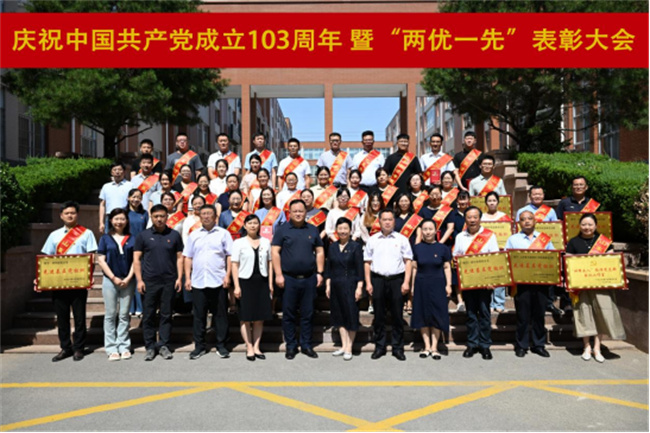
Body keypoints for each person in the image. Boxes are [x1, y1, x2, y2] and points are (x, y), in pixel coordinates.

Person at [38, 201, 98, 362]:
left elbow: (91, 257)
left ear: (77, 214)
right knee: (62, 317)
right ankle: (65, 347)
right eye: (67, 213)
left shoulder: (86, 233)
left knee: (79, 317)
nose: (70, 215)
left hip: (79, 282)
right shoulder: (54, 235)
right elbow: (46, 259)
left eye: (73, 213)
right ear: (61, 216)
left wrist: (89, 276)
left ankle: (79, 348)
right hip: (58, 282)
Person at [566, 213, 625, 363]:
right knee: (584, 314)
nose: (587, 227)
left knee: (601, 315)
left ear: (596, 226)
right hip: (581, 286)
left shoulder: (604, 243)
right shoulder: (573, 242)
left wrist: (620, 278)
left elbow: (612, 263)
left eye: (590, 224)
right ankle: (586, 347)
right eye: (584, 224)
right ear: (579, 226)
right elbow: (567, 264)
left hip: (601, 286)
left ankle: (597, 348)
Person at [271, 199, 325, 360]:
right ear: (289, 212)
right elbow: (275, 252)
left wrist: (320, 272)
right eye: (295, 211)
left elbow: (320, 251)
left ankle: (306, 345)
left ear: (305, 212)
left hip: (309, 278)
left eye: (301, 211)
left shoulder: (312, 229)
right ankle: (291, 345)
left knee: (308, 313)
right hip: (289, 279)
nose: (298, 214)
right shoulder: (282, 230)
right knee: (289, 314)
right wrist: (278, 274)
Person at [134, 204, 184, 361]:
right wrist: (139, 280)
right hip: (149, 281)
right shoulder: (143, 236)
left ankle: (164, 345)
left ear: (167, 216)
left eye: (162, 216)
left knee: (166, 314)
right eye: (156, 216)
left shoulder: (174, 235)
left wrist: (179, 278)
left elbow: (180, 258)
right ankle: (150, 346)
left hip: (169, 281)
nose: (159, 219)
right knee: (148, 315)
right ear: (151, 217)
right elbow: (136, 259)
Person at [183, 204, 233, 360]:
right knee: (199, 316)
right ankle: (199, 346)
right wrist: (187, 277)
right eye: (203, 214)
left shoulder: (223, 234)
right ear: (200, 216)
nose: (206, 216)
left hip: (218, 280)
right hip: (198, 281)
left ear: (215, 216)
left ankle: (221, 345)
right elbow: (188, 257)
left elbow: (230, 256)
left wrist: (228, 276)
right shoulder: (194, 234)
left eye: (209, 213)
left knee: (220, 315)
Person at [505, 210, 556, 358]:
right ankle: (521, 345)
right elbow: (507, 259)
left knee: (539, 315)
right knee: (522, 316)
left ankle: (538, 345)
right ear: (519, 223)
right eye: (523, 219)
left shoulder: (544, 239)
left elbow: (553, 258)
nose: (527, 221)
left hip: (541, 282)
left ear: (535, 221)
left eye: (529, 218)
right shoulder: (513, 239)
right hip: (522, 284)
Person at [364, 209, 413, 361]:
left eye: (390, 219)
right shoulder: (373, 239)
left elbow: (408, 262)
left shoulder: (402, 239)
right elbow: (367, 262)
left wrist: (406, 282)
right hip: (378, 280)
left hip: (396, 280)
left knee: (397, 315)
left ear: (394, 222)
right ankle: (380, 346)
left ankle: (398, 348)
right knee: (379, 315)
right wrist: (368, 283)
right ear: (379, 221)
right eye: (384, 219)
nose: (387, 222)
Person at [453, 206, 500, 360]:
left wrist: (492, 280)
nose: (472, 220)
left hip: (485, 282)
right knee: (471, 314)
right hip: (468, 282)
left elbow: (495, 257)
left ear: (480, 219)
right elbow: (456, 256)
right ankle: (472, 344)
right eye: (469, 217)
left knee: (485, 313)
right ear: (465, 219)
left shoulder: (489, 235)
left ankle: (485, 345)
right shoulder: (460, 236)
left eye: (475, 217)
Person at [232, 214, 273, 361]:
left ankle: (256, 346)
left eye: (255, 223)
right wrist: (236, 286)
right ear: (245, 226)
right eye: (250, 223)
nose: (253, 226)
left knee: (259, 318)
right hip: (245, 282)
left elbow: (269, 263)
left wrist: (270, 284)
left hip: (261, 281)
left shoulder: (266, 241)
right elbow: (234, 265)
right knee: (246, 317)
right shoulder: (238, 243)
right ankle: (248, 347)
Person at [97, 208, 136, 361]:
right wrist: (113, 278)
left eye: (122, 219)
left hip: (128, 280)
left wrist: (128, 277)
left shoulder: (132, 238)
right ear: (111, 220)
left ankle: (124, 346)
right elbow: (101, 260)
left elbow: (136, 260)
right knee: (110, 315)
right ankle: (111, 348)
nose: (119, 222)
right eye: (116, 219)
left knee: (124, 315)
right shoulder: (105, 238)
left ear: (127, 221)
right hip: (110, 281)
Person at [410, 219, 452, 360]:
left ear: (436, 231)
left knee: (437, 314)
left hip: (438, 284)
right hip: (421, 284)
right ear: (421, 231)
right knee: (422, 314)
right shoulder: (417, 248)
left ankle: (435, 347)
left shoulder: (443, 248)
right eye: (425, 229)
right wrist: (412, 286)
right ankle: (426, 346)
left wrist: (448, 285)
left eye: (430, 229)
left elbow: (447, 267)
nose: (427, 232)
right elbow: (414, 268)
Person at [326, 217, 364, 361]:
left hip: (350, 284)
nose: (343, 231)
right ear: (336, 230)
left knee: (351, 315)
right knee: (339, 316)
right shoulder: (332, 247)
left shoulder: (355, 246)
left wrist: (359, 287)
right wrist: (328, 285)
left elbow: (360, 269)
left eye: (345, 228)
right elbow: (329, 268)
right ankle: (343, 345)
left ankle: (349, 347)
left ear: (350, 230)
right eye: (340, 228)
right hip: (335, 285)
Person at [480, 192, 510, 313]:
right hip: (486, 251)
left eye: (494, 200)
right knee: (488, 277)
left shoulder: (504, 217)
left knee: (499, 277)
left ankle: (499, 303)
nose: (492, 203)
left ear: (498, 202)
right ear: (486, 203)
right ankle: (490, 303)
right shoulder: (482, 217)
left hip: (501, 251)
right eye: (489, 201)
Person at [126, 189, 148, 318]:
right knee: (128, 277)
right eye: (133, 197)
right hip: (127, 247)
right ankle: (130, 306)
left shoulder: (144, 214)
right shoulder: (124, 213)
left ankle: (140, 307)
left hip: (141, 248)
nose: (136, 199)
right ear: (128, 198)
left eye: (139, 197)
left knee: (139, 277)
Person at [450, 191, 471, 312]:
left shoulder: (472, 213)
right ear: (457, 200)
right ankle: (460, 301)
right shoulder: (452, 214)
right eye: (460, 199)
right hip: (457, 246)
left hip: (472, 246)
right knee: (457, 274)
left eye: (465, 199)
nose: (463, 202)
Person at [99, 162, 132, 233]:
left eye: (120, 169)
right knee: (109, 238)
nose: (117, 172)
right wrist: (101, 222)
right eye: (115, 170)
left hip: (124, 216)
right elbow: (102, 205)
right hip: (109, 217)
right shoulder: (106, 186)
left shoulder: (130, 185)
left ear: (124, 172)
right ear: (111, 172)